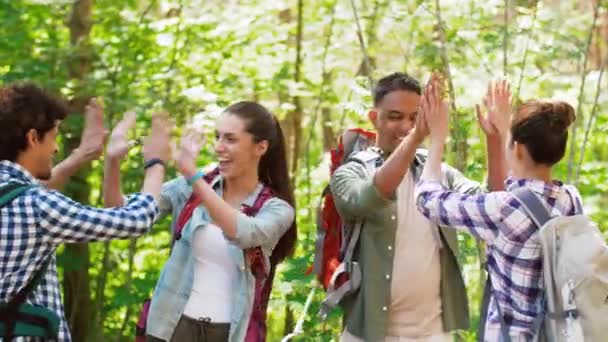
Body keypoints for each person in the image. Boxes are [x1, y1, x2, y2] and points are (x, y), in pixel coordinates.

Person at [330, 73, 509, 342]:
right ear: (373, 118)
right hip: (368, 333)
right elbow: (368, 197)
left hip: (433, 332)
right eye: (395, 117)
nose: (406, 126)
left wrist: (495, 137)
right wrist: (417, 137)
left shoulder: (439, 174)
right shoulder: (352, 171)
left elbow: (492, 206)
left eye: (415, 118)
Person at [104, 101, 296, 342]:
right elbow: (124, 216)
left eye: (230, 139)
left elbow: (243, 232)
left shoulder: (276, 208)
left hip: (228, 334)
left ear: (260, 147)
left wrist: (192, 175)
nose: (219, 147)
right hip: (171, 327)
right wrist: (112, 162)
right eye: (217, 137)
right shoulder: (193, 187)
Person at [0, 83, 170, 341]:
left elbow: (24, 194)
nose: (56, 149)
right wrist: (156, 162)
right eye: (54, 137)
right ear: (33, 138)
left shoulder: (18, 197)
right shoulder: (39, 207)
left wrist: (83, 154)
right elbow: (136, 221)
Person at [415, 80, 582, 341]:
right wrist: (504, 131)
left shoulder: (503, 209)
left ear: (517, 147)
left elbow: (427, 200)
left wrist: (436, 140)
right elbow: (518, 186)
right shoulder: (570, 199)